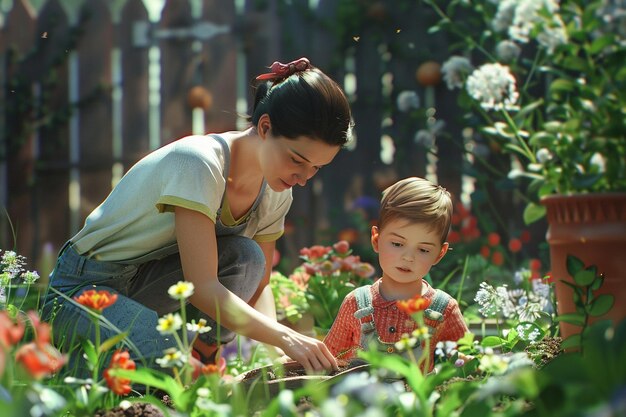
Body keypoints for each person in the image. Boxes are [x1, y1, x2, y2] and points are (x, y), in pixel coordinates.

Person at [43, 57, 352, 374]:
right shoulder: (199, 163)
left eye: (316, 168)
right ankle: (76, 368)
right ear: (265, 127)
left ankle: (201, 356)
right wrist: (289, 336)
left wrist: (275, 357)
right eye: (297, 160)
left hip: (146, 287)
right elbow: (202, 287)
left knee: (247, 258)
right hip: (80, 293)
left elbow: (259, 285)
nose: (303, 177)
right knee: (164, 351)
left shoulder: (276, 190)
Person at [323, 177, 468, 372]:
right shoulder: (356, 304)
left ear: (439, 254)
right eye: (398, 244)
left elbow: (465, 364)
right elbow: (330, 360)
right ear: (376, 239)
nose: (408, 257)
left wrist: (465, 361)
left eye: (423, 250)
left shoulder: (443, 310)